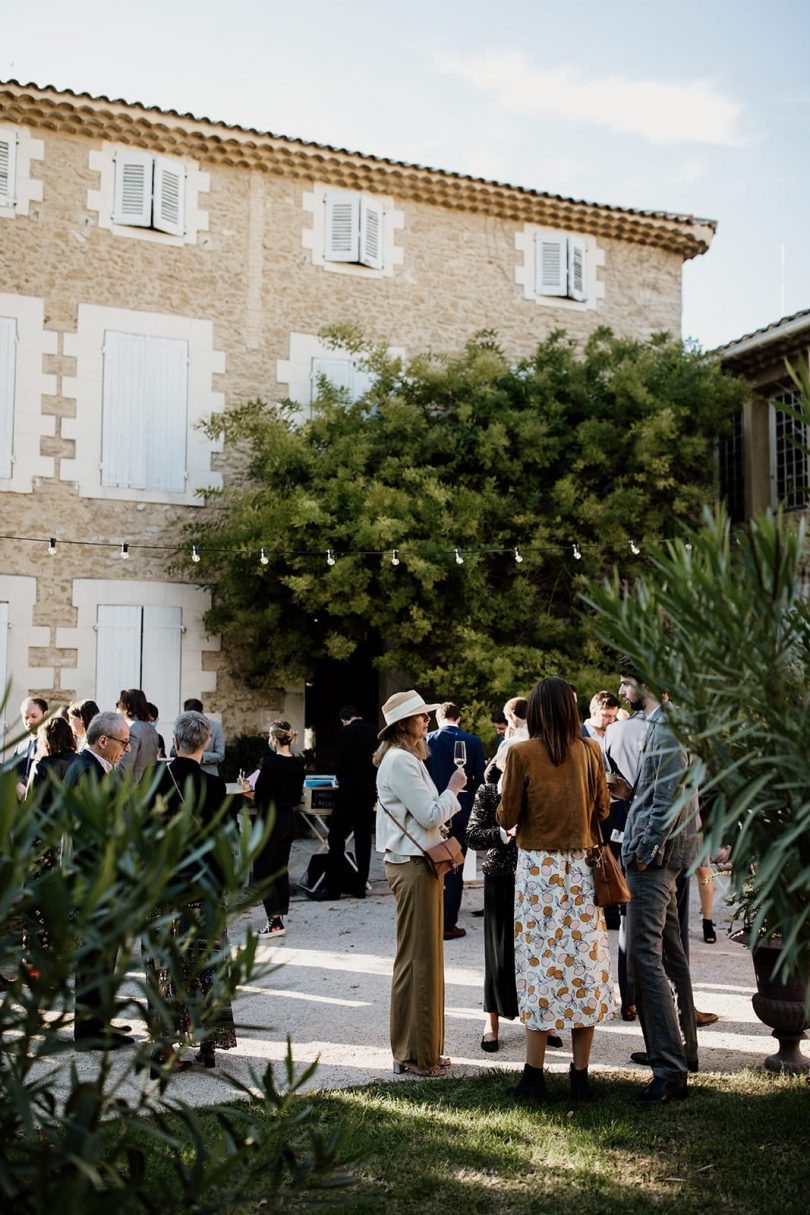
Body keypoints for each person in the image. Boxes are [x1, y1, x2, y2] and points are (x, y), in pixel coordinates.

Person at [497, 676, 614, 1102]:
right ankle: (580, 1077)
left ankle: (533, 1075)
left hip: (538, 872)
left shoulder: (522, 752)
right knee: (584, 966)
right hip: (582, 867)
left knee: (538, 966)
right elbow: (603, 808)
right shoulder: (590, 751)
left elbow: (506, 813)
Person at [611, 658, 700, 1104]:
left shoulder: (665, 729)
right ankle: (683, 1051)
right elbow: (664, 791)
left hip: (654, 859)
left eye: (626, 683)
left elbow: (668, 802)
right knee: (672, 954)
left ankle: (669, 1069)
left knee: (641, 960)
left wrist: (642, 852)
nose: (622, 690)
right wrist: (630, 792)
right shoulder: (669, 722)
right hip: (668, 855)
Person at [375, 689, 466, 1077]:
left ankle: (424, 1049)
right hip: (413, 865)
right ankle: (412, 1054)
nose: (427, 720)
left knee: (425, 958)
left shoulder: (409, 758)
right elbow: (430, 815)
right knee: (416, 959)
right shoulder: (400, 762)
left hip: (419, 865)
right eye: (420, 716)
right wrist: (455, 789)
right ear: (402, 725)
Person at [146, 710, 237, 1074]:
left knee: (164, 965)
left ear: (176, 742)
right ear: (206, 744)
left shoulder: (154, 778)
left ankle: (165, 1043)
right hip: (203, 887)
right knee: (206, 965)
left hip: (163, 886)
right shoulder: (215, 787)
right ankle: (208, 1045)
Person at [64, 711, 135, 1049]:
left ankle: (99, 1022)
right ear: (103, 741)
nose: (128, 749)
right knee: (95, 957)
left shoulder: (92, 769)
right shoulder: (89, 773)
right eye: (124, 742)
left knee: (105, 956)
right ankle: (90, 1032)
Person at [425, 703, 485, 941]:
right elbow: (480, 780)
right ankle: (448, 924)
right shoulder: (472, 741)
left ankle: (430, 920)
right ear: (458, 718)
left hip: (432, 809)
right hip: (462, 812)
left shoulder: (427, 740)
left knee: (431, 865)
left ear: (439, 719)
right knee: (454, 867)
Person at [317, 705, 378, 900]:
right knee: (363, 840)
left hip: (348, 794)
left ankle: (333, 888)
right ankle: (360, 886)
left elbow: (341, 764)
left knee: (336, 838)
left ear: (344, 720)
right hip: (368, 794)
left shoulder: (346, 733)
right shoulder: (374, 732)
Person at [252, 721, 306, 937]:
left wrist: (249, 791)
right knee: (280, 868)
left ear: (274, 739)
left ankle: (274, 922)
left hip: (272, 819)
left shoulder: (271, 763)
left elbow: (260, 795)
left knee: (263, 870)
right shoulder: (298, 763)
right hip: (289, 819)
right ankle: (279, 917)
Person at [116, 689, 160, 783]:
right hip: (146, 788)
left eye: (119, 703)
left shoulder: (130, 729)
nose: (117, 707)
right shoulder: (151, 729)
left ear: (126, 705)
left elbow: (124, 769)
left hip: (130, 791)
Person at [14, 696, 49, 800]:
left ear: (45, 715)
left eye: (34, 716)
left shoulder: (52, 745)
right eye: (26, 717)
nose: (29, 721)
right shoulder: (20, 747)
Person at [182, 698, 225, 777]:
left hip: (209, 775)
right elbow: (173, 751)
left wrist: (199, 756)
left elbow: (220, 755)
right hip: (187, 776)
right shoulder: (182, 728)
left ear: (202, 713)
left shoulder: (216, 727)